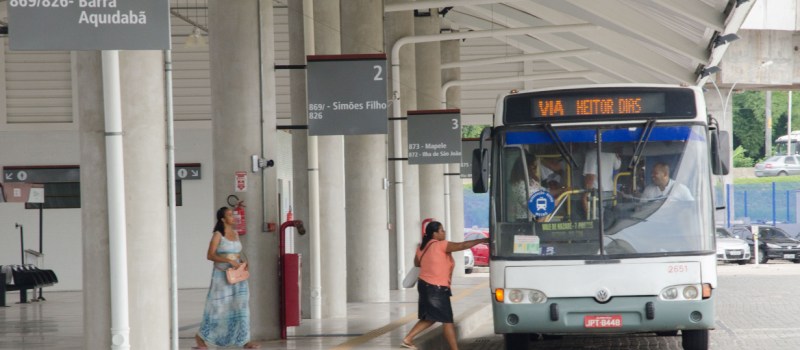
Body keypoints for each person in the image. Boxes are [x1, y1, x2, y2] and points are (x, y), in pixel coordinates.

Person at [401, 221, 489, 350]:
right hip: (436, 288)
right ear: (434, 234)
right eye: (441, 230)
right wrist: (481, 240)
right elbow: (462, 245)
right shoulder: (441, 245)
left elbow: (417, 263)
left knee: (430, 317)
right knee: (447, 320)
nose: (444, 232)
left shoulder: (422, 247)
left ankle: (408, 339)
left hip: (424, 285)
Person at [195, 207, 260, 349]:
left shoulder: (236, 233)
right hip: (222, 277)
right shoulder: (218, 234)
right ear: (223, 219)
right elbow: (210, 255)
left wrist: (242, 262)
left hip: (238, 276)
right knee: (218, 307)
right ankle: (201, 337)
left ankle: (244, 340)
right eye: (230, 215)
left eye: (233, 214)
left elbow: (236, 254)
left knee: (241, 306)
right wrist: (228, 261)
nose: (233, 217)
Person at [583, 147, 621, 215]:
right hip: (611, 192)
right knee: (608, 219)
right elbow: (617, 166)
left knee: (597, 219)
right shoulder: (611, 153)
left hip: (597, 193)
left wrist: (585, 195)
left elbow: (590, 176)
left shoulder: (592, 154)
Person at [510, 154, 543, 220]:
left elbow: (544, 192)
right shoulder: (519, 184)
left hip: (535, 218)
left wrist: (562, 190)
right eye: (534, 167)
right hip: (525, 220)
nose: (536, 170)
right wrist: (551, 203)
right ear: (525, 168)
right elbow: (528, 205)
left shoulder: (532, 181)